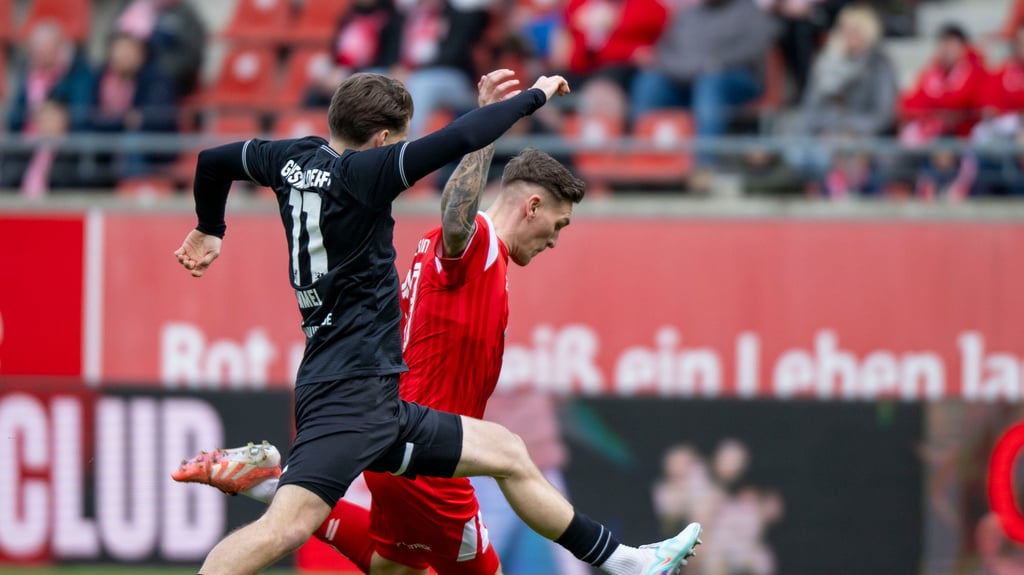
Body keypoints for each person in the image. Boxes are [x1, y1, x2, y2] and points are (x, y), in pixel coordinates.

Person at [172, 70, 701, 575]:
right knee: (284, 530)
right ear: (383, 140)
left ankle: (627, 562)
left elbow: (213, 160)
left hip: (374, 396)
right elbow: (459, 141)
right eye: (400, 139)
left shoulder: (290, 157)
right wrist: (532, 98)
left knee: (496, 463)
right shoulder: (366, 177)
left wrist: (209, 227)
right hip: (353, 395)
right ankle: (273, 485)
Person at [628, 0, 774, 166]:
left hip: (736, 81)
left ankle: (706, 163)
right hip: (685, 79)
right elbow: (665, 51)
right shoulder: (687, 15)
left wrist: (717, 64)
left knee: (710, 84)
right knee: (650, 82)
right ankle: (644, 157)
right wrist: (688, 69)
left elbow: (753, 49)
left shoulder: (749, 12)